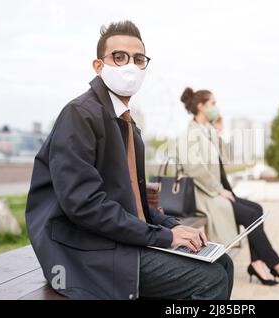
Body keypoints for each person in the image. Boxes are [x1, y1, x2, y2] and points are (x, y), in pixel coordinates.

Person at [25, 21, 233, 300]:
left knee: (223, 263)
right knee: (209, 280)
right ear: (99, 66)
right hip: (82, 249)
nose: (130, 66)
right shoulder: (79, 115)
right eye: (119, 57)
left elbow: (135, 205)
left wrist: (172, 226)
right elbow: (84, 205)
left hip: (117, 239)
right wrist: (164, 237)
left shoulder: (126, 125)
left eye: (138, 59)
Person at [178, 87, 279, 286]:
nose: (216, 107)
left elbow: (223, 160)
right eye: (213, 103)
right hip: (203, 195)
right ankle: (276, 264)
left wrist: (218, 132)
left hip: (214, 192)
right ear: (201, 106)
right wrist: (219, 190)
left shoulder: (206, 131)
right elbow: (194, 169)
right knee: (251, 215)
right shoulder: (189, 134)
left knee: (257, 209)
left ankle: (257, 263)